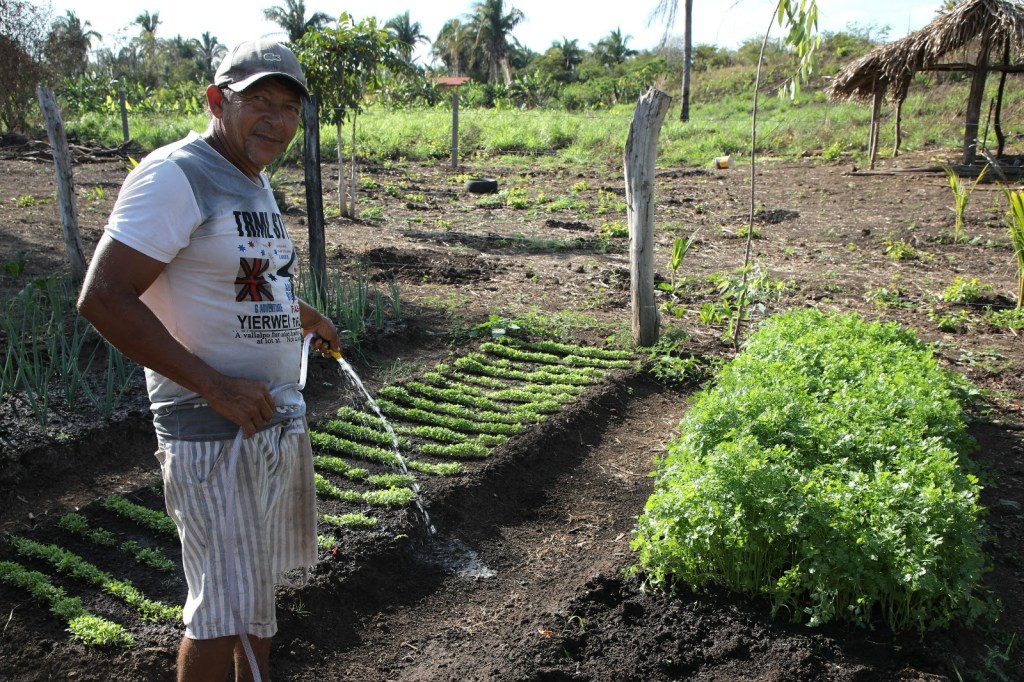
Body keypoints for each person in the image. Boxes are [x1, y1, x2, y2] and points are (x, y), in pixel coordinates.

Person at [77, 39, 339, 682]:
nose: (277, 120)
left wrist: (302, 315)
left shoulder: (251, 178)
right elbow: (103, 297)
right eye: (260, 102)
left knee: (256, 603)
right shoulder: (177, 175)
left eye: (290, 107)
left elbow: (244, 280)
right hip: (211, 431)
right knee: (220, 612)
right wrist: (215, 386)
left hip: (264, 422)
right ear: (218, 101)